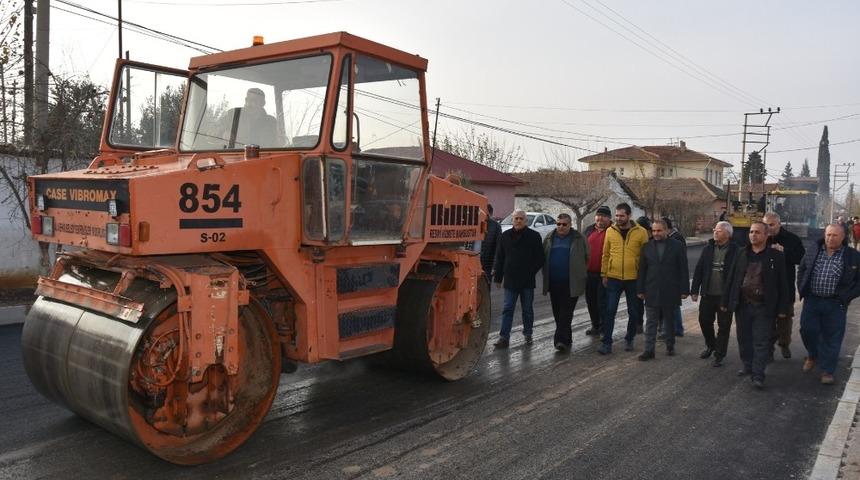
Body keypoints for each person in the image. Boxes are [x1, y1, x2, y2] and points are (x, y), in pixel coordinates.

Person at [725, 221, 791, 389]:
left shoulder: (776, 256)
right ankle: (747, 365)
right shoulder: (741, 254)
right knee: (743, 338)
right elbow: (732, 279)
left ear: (766, 236)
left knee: (761, 341)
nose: (753, 235)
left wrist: (783, 309)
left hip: (763, 307)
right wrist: (726, 301)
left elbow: (783, 284)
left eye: (757, 232)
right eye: (751, 232)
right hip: (743, 305)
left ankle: (758, 374)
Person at [797, 224, 860, 384]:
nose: (830, 238)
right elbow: (802, 269)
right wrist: (802, 288)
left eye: (835, 236)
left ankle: (827, 371)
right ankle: (813, 355)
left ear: (843, 237)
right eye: (828, 235)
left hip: (836, 303)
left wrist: (847, 296)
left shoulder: (853, 256)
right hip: (812, 300)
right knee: (807, 330)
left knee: (832, 337)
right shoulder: (814, 249)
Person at [598, 203, 649, 354]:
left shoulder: (641, 232)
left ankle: (629, 338)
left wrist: (643, 278)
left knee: (633, 312)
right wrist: (604, 274)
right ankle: (607, 342)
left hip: (633, 279)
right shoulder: (610, 231)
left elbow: (646, 258)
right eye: (617, 215)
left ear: (629, 215)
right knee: (610, 310)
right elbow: (605, 254)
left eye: (621, 215)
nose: (618, 218)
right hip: (613, 277)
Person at [636, 219, 690, 360]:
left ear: (666, 230)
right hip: (651, 290)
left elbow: (683, 269)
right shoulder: (646, 247)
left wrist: (685, 289)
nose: (656, 233)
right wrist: (640, 289)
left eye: (659, 230)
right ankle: (649, 350)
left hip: (671, 290)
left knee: (669, 320)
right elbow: (642, 270)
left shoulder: (677, 246)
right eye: (653, 231)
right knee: (651, 321)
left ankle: (670, 345)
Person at [492, 209, 545, 348]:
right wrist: (498, 277)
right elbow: (500, 257)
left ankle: (528, 334)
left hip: (527, 280)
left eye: (521, 218)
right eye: (516, 218)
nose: (519, 221)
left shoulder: (534, 236)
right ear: (513, 220)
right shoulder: (505, 236)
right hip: (510, 279)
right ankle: (504, 337)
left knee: (527, 309)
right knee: (507, 308)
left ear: (525, 221)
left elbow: (540, 258)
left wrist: (530, 272)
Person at [691, 221, 739, 367]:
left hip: (724, 297)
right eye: (715, 230)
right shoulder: (708, 249)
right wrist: (694, 290)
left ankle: (719, 354)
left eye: (718, 230)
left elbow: (738, 275)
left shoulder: (737, 251)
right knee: (704, 321)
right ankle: (711, 345)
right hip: (708, 294)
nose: (715, 232)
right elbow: (699, 269)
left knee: (724, 326)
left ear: (728, 234)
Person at [542, 213, 589, 351]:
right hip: (554, 283)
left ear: (570, 225)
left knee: (566, 313)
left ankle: (559, 341)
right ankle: (567, 338)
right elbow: (543, 256)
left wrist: (580, 272)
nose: (560, 227)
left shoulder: (579, 238)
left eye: (564, 224)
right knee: (557, 312)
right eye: (558, 224)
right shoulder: (549, 238)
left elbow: (587, 257)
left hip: (571, 283)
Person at [763, 211, 805, 360]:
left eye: (771, 225)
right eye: (765, 225)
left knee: (785, 319)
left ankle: (784, 343)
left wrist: (784, 252)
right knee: (767, 320)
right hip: (765, 287)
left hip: (785, 286)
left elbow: (801, 259)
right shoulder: (761, 238)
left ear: (779, 224)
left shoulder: (792, 239)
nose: (768, 228)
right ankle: (768, 349)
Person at [583, 206, 612, 337]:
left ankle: (604, 329)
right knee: (591, 301)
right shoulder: (589, 230)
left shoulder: (613, 231)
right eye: (598, 215)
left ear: (609, 218)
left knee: (602, 303)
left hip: (605, 274)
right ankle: (595, 325)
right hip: (589, 273)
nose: (600, 218)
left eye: (603, 216)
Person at [662, 216, 687, 338]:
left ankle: (677, 328)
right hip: (668, 278)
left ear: (667, 229)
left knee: (673, 306)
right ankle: (676, 328)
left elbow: (681, 261)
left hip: (674, 278)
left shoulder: (677, 239)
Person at [480, 204, 502, 279]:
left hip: (487, 266)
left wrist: (494, 266)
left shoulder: (496, 226)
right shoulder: (474, 223)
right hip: (473, 264)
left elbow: (498, 248)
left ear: (489, 213)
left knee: (485, 287)